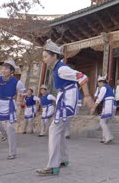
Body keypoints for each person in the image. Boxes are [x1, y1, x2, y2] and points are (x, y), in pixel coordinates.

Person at [36, 39, 92, 176]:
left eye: (45, 56)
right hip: (66, 99)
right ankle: (63, 159)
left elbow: (82, 76)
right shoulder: (57, 68)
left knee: (54, 129)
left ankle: (52, 165)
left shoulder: (61, 68)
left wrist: (87, 96)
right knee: (59, 130)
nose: (44, 60)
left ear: (54, 55)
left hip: (68, 100)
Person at [91, 75, 116, 144]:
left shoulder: (103, 88)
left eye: (98, 83)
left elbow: (99, 98)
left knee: (102, 122)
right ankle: (105, 137)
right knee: (106, 123)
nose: (98, 85)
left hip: (108, 105)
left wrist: (94, 107)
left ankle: (108, 137)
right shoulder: (109, 87)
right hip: (112, 105)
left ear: (101, 82)